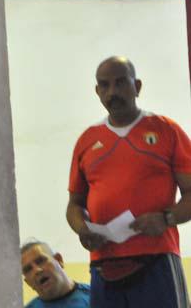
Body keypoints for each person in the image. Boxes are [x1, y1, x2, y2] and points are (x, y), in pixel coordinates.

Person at [66, 56, 191, 308]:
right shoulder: (87, 140)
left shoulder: (166, 130)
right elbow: (74, 205)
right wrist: (82, 229)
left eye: (121, 82)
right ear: (97, 91)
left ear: (138, 86)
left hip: (156, 260)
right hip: (103, 265)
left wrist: (166, 218)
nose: (112, 92)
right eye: (104, 85)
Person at [21, 239, 90, 307]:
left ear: (59, 260)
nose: (37, 270)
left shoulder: (94, 296)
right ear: (28, 283)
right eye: (28, 269)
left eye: (40, 261)